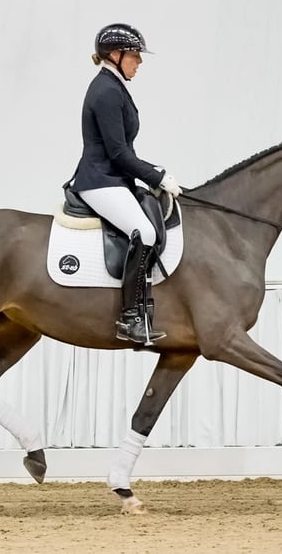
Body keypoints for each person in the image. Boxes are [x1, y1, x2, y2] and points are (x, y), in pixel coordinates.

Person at [68, 23, 182, 345]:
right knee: (144, 232)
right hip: (99, 180)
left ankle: (143, 309)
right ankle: (130, 317)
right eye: (135, 56)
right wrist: (156, 176)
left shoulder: (114, 86)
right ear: (115, 55)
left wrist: (152, 174)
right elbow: (118, 153)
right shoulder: (105, 91)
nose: (139, 63)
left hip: (114, 177)